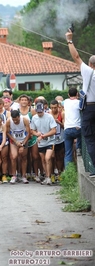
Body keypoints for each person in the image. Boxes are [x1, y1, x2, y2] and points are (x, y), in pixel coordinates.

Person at [66, 29, 95, 178]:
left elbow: (76, 56)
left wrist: (69, 40)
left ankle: (94, 168)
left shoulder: (88, 71)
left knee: (89, 139)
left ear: (90, 64)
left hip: (89, 108)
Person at [30, 102, 57, 185]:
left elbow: (54, 130)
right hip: (41, 143)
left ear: (44, 110)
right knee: (43, 159)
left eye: (41, 111)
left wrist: (44, 135)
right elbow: (32, 130)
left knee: (48, 158)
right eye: (38, 112)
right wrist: (37, 134)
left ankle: (49, 177)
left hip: (50, 140)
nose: (39, 113)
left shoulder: (49, 117)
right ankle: (47, 176)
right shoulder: (34, 118)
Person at [6, 110, 31, 184]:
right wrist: (15, 141)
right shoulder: (9, 121)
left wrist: (23, 144)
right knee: (14, 157)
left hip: (24, 140)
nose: (15, 121)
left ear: (19, 117)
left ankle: (23, 176)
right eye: (13, 120)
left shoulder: (25, 120)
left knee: (24, 157)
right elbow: (7, 132)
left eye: (16, 120)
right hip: (14, 141)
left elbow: (29, 133)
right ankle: (14, 175)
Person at [63, 87, 82, 166]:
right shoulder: (79, 102)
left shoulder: (65, 102)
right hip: (77, 128)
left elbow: (60, 102)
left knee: (68, 153)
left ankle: (68, 172)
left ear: (68, 94)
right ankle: (78, 148)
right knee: (82, 134)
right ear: (77, 94)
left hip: (67, 129)